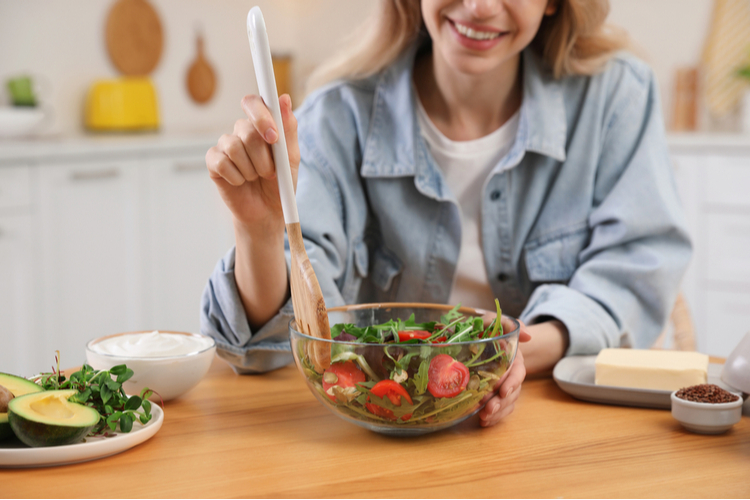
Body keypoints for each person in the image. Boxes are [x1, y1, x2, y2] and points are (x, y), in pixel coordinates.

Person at [201, 0, 692, 427]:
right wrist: (260, 234)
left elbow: (635, 270)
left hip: (556, 431)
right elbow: (274, 351)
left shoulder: (616, 96)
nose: (479, 6)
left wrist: (516, 348)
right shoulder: (338, 115)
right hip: (378, 439)